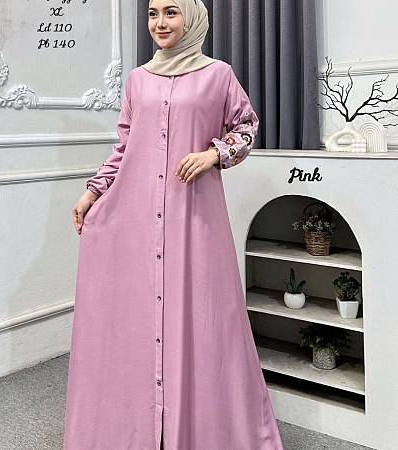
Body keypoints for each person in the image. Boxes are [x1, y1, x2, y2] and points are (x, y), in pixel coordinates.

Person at [64, 0, 284, 448]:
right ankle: (141, 424)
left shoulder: (218, 75)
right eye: (152, 14)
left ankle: (200, 426)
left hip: (195, 215)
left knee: (205, 316)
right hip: (138, 216)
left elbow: (246, 127)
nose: (160, 23)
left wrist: (213, 154)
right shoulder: (137, 79)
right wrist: (92, 192)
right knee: (138, 317)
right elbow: (125, 148)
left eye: (171, 12)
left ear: (192, 18)